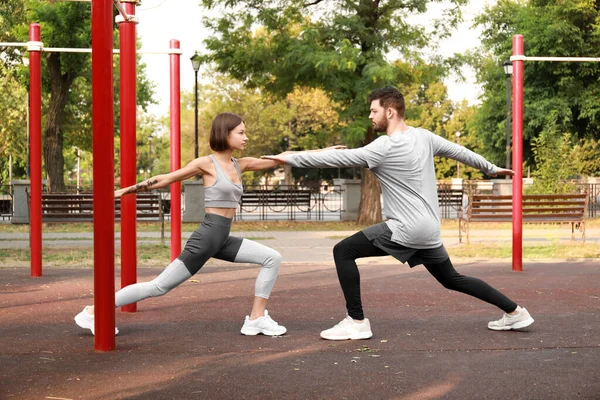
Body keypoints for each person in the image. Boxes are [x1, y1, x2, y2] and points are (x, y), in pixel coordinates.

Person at [262, 86, 535, 341]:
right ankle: (515, 312)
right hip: (430, 229)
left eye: (374, 111)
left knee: (343, 251)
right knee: (452, 279)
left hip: (406, 228)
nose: (370, 116)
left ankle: (356, 321)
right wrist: (490, 168)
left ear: (390, 112)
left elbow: (334, 160)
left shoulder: (383, 147)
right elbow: (460, 152)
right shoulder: (425, 137)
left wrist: (289, 156)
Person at [76, 112, 302, 337]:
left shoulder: (240, 165)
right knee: (158, 287)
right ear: (225, 134)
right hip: (206, 238)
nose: (246, 138)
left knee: (272, 257)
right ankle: (93, 312)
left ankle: (256, 318)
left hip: (222, 238)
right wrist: (124, 191)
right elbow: (166, 178)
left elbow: (282, 158)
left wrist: (328, 153)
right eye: (241, 133)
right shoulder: (207, 164)